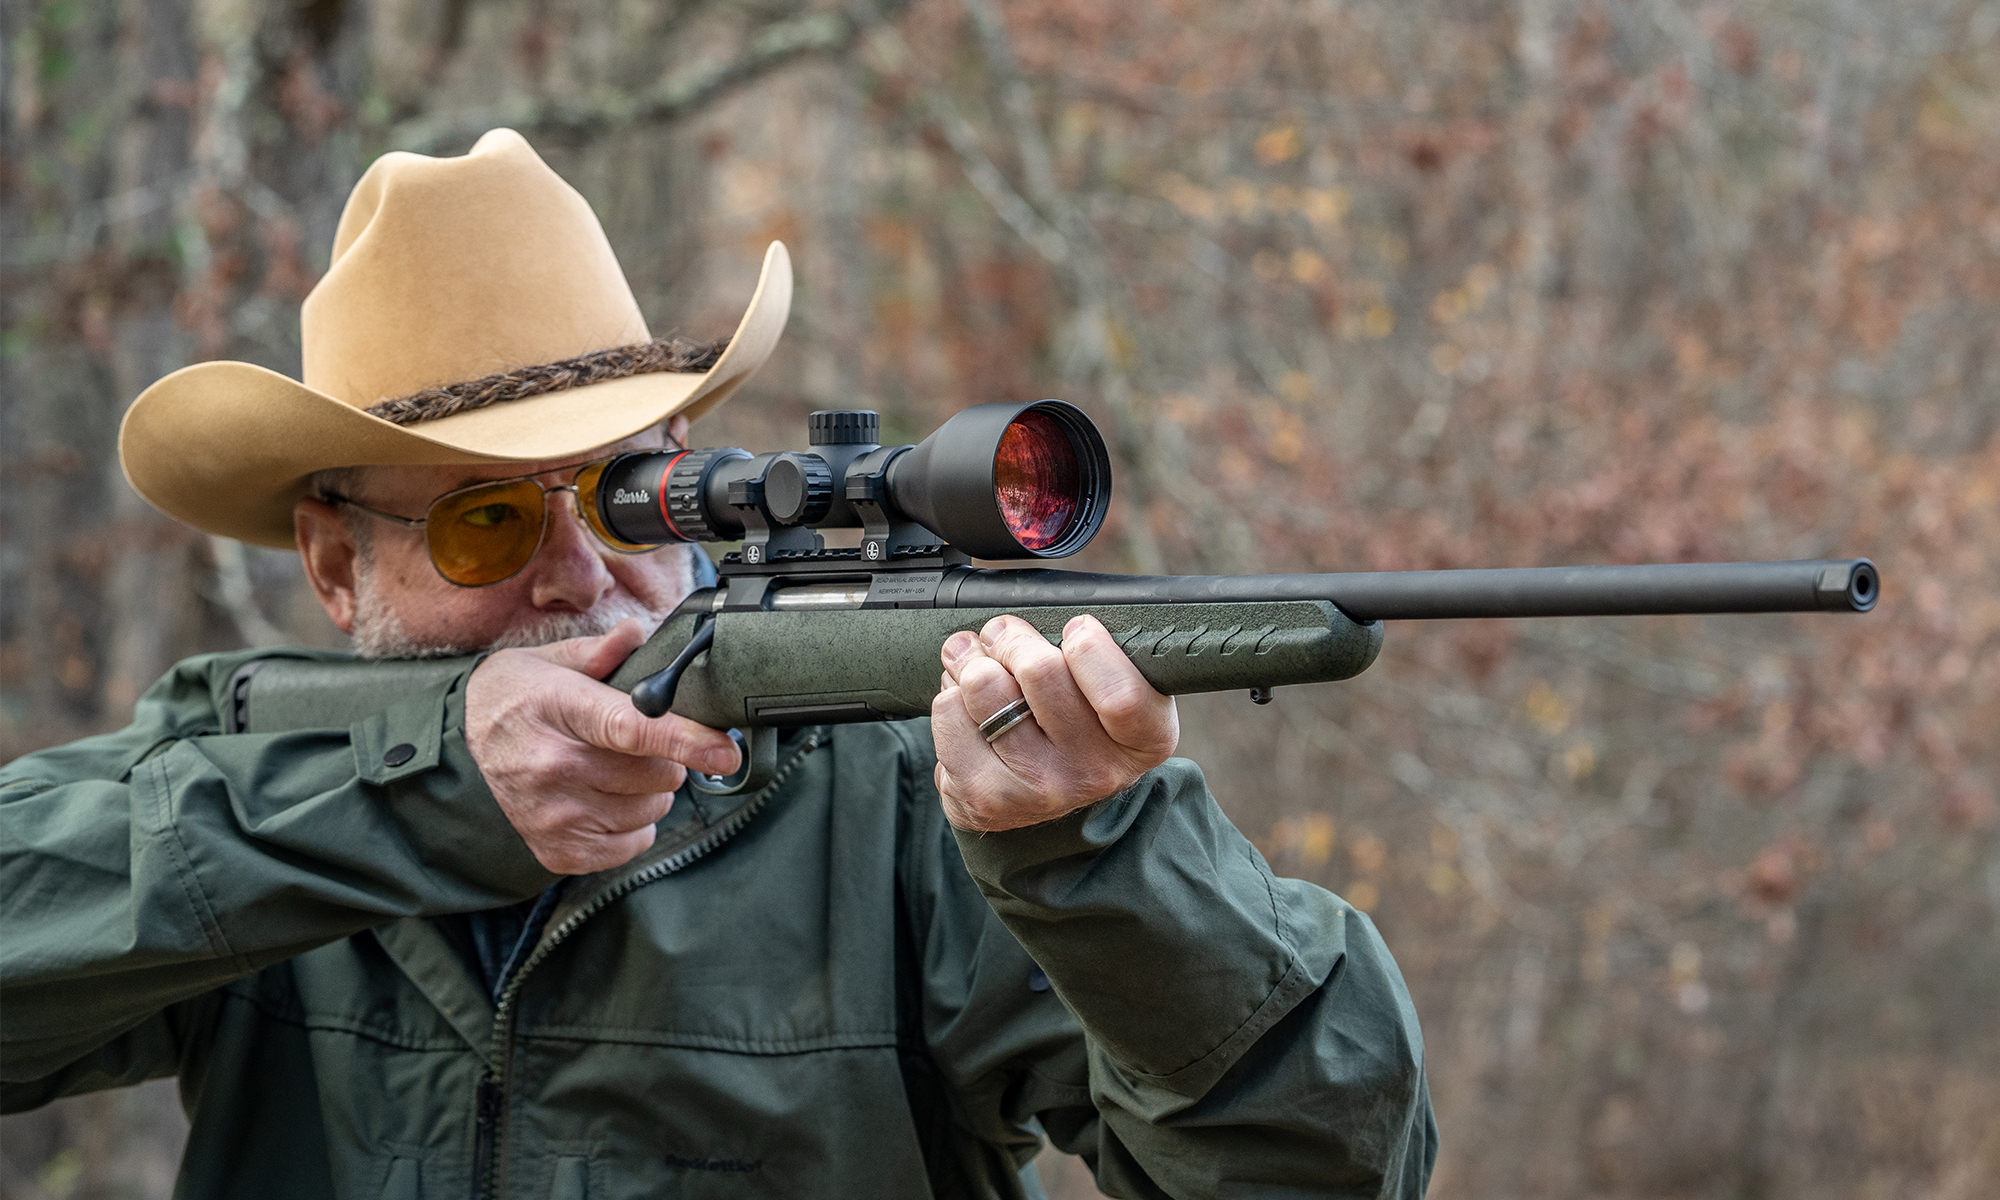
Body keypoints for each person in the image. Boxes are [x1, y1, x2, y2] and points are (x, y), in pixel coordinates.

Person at [0, 129, 1435, 1199]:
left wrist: (1102, 855)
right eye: (491, 520)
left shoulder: (907, 794)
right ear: (333, 567)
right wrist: (421, 793)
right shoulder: (253, 786)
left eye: (628, 495)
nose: (584, 572)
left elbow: (1327, 1168)